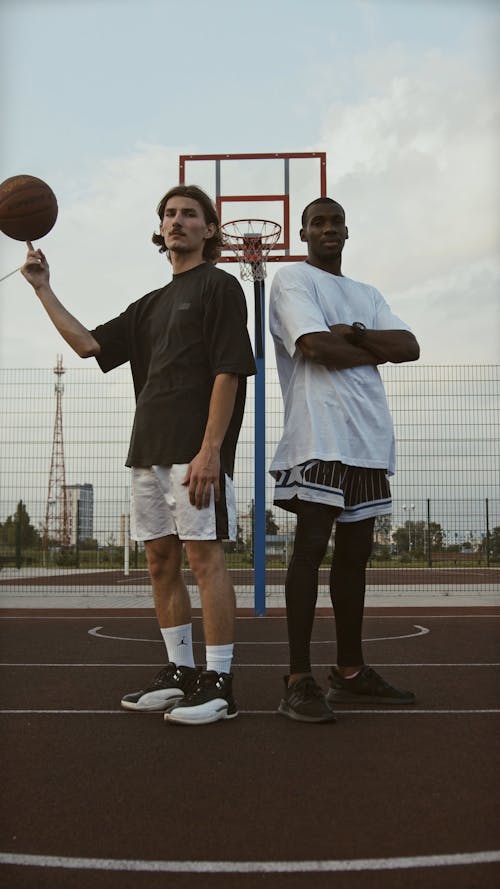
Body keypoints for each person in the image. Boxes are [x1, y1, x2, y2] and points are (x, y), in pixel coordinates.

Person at [22, 184, 256, 726]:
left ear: (209, 229)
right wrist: (42, 288)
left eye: (189, 214)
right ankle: (179, 673)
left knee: (205, 560)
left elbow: (229, 371)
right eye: (169, 214)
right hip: (146, 450)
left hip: (194, 451)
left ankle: (219, 683)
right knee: (160, 563)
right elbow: (86, 345)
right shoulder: (147, 305)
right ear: (161, 229)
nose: (177, 221)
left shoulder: (220, 287)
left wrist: (210, 451)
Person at [269, 197, 420, 723]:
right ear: (304, 231)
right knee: (309, 551)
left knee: (355, 561)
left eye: (335, 222)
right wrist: (373, 348)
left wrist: (354, 335)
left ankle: (351, 673)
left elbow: (410, 346)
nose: (327, 229)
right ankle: (297, 678)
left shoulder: (366, 293)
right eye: (318, 222)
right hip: (319, 436)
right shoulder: (293, 280)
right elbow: (313, 346)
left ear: (347, 232)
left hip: (368, 440)